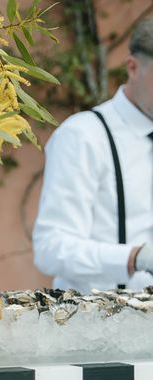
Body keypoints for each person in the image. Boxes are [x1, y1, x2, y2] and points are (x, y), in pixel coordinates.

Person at [33, 19, 153, 294]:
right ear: (133, 67)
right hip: (93, 325)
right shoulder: (82, 136)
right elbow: (51, 248)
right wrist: (136, 258)